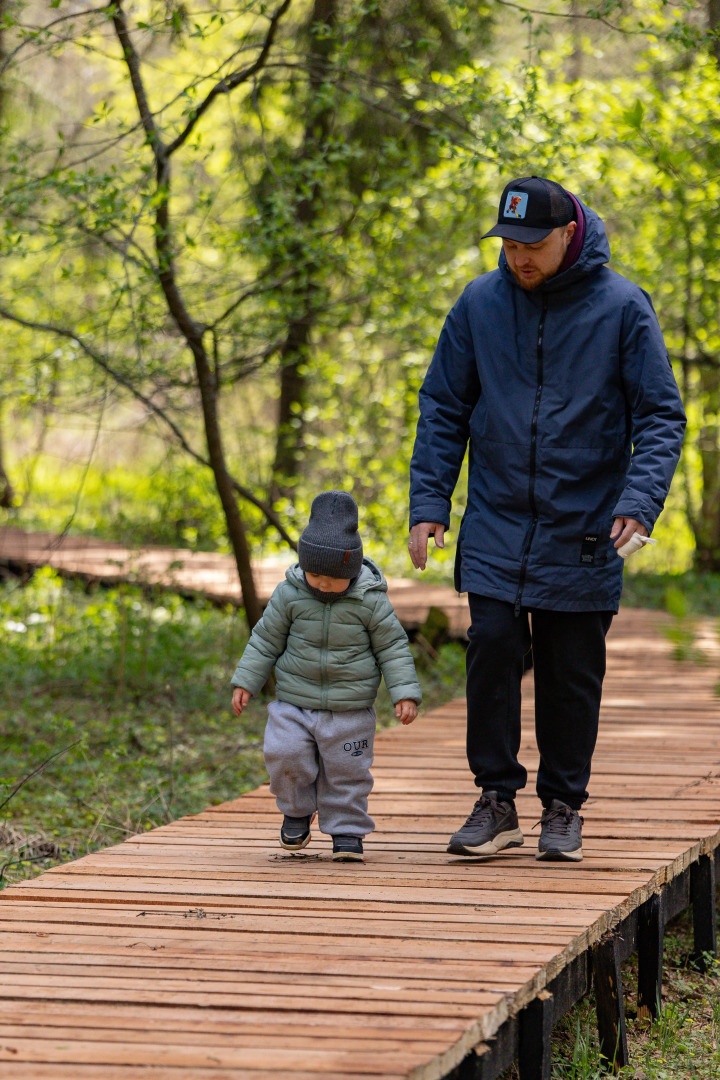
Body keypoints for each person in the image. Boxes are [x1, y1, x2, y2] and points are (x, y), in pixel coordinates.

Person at [408, 175, 685, 862]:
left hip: (585, 521)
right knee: (492, 649)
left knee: (569, 671)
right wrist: (429, 502)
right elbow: (443, 405)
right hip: (496, 516)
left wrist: (639, 500)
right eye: (508, 244)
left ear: (569, 234)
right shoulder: (479, 303)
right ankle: (496, 800)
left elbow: (659, 414)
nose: (518, 257)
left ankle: (563, 807)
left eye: (531, 244)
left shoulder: (622, 307)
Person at [231, 490, 421, 863]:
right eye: (314, 573)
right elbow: (265, 640)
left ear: (351, 570)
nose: (321, 583)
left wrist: (404, 693)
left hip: (350, 709)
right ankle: (296, 811)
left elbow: (393, 648)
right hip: (293, 702)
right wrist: (245, 681)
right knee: (284, 753)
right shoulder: (289, 595)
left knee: (347, 771)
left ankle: (347, 829)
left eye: (332, 577)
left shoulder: (370, 600)